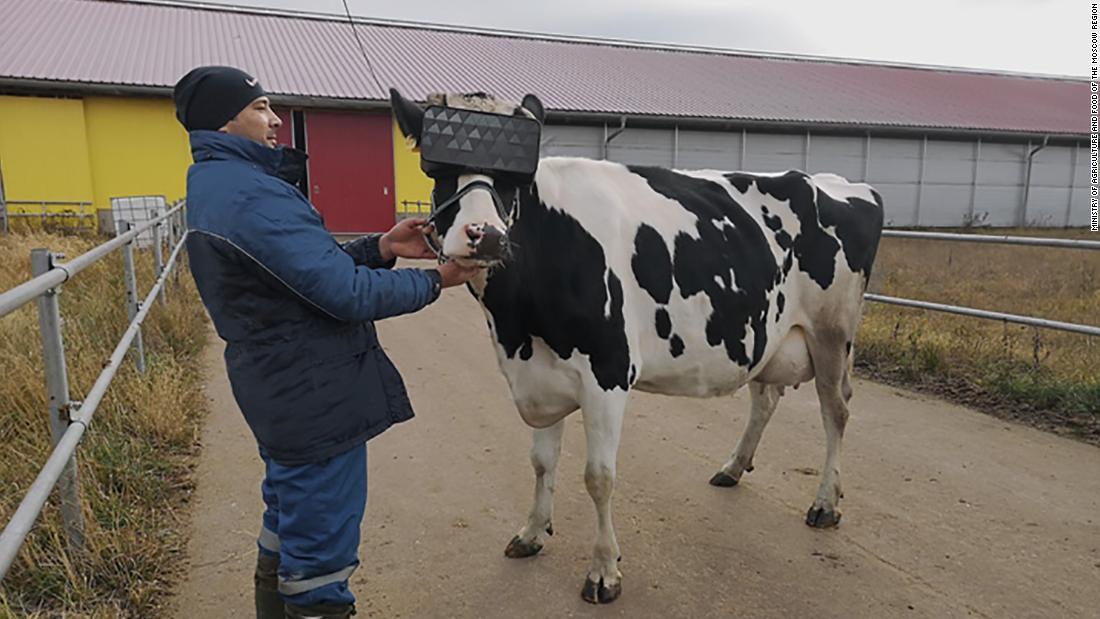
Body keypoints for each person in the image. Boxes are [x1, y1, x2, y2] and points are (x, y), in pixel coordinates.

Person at [172, 66, 478, 619]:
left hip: (282, 385)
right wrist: (436, 280)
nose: (275, 118)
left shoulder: (225, 186)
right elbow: (344, 294)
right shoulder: (250, 196)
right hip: (311, 394)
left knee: (288, 522)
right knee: (320, 561)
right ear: (225, 119)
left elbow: (301, 275)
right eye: (261, 106)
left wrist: (380, 247)